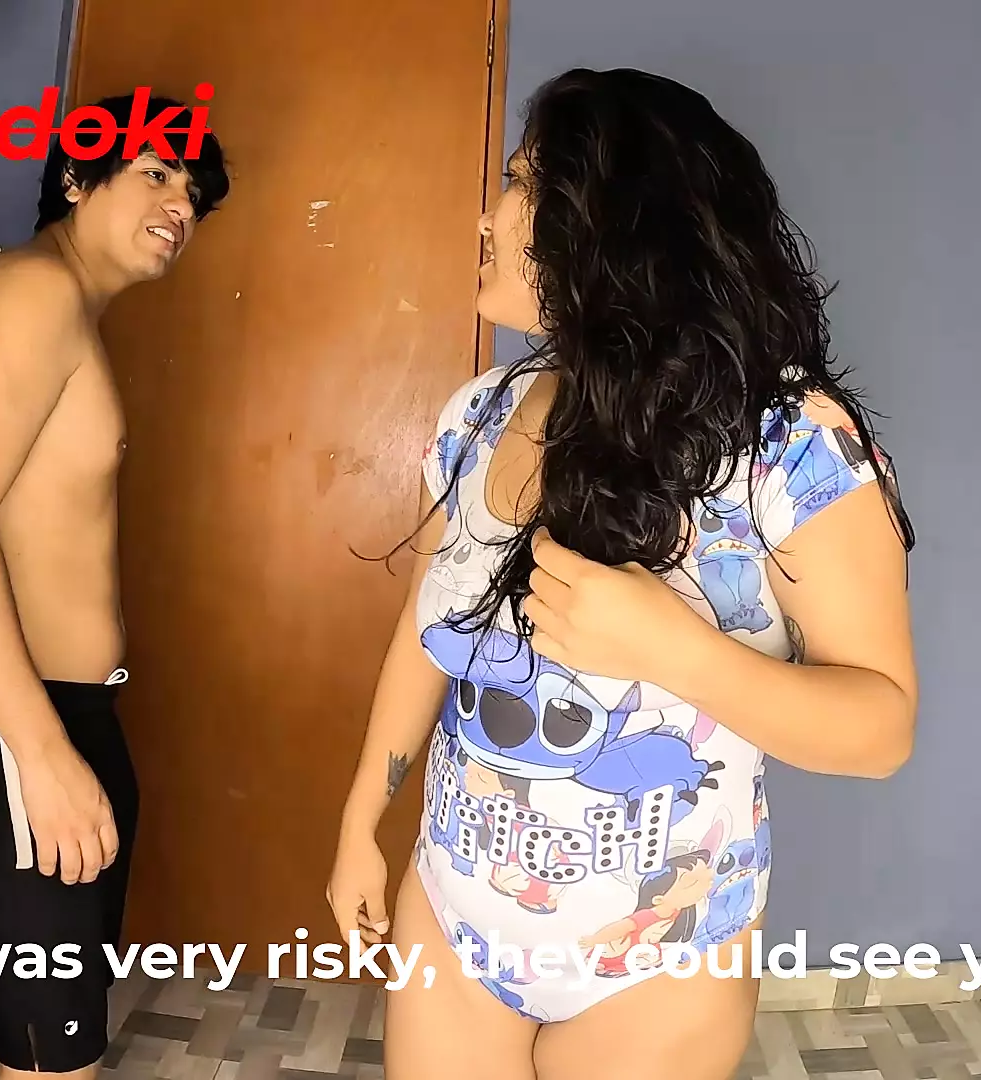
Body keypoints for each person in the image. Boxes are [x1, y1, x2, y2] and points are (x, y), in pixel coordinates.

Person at [326, 67, 917, 1079]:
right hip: (454, 919)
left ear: (617, 220)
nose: (487, 216)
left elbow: (882, 729)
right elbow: (424, 631)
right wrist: (358, 820)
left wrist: (674, 651)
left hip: (659, 967)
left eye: (520, 182)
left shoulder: (792, 445)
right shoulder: (478, 416)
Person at [0, 94, 227, 1080]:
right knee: (44, 1063)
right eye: (156, 173)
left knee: (50, 1039)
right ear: (79, 177)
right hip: (12, 727)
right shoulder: (31, 294)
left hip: (49, 719)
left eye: (194, 192)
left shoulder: (64, 308)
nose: (181, 205)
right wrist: (41, 754)